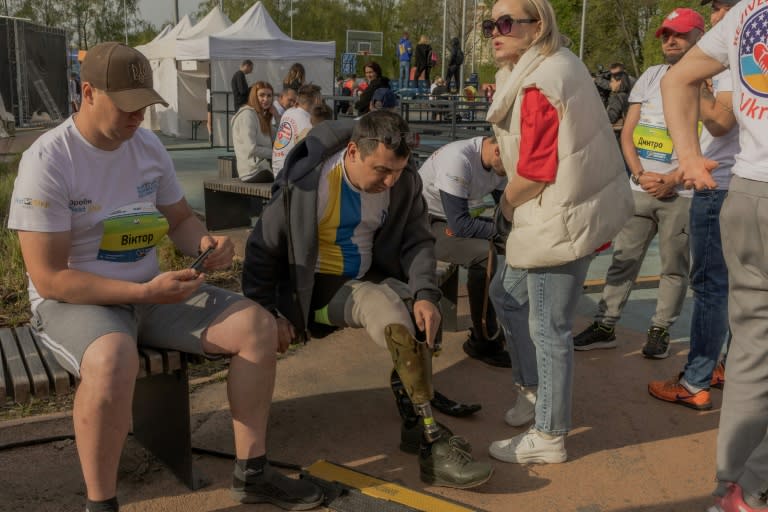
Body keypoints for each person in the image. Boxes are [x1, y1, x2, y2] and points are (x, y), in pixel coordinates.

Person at [6, 42, 323, 512]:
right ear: (88, 93)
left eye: (145, 105)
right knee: (114, 359)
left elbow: (179, 220)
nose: (138, 118)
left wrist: (204, 245)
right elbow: (51, 279)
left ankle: (252, 473)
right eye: (127, 106)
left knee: (255, 327)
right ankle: (101, 503)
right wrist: (140, 290)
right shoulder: (49, 159)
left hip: (150, 292)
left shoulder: (147, 146)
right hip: (75, 303)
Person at [242, 110, 494, 490]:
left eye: (398, 170)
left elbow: (417, 240)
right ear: (353, 152)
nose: (390, 180)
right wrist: (268, 313)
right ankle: (432, 438)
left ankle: (417, 429)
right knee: (390, 313)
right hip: (316, 290)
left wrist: (426, 293)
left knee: (423, 311)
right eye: (381, 171)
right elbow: (261, 251)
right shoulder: (310, 184)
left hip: (369, 274)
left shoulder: (401, 180)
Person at [481, 0, 632, 464]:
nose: (494, 31)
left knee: (550, 330)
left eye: (506, 23)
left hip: (557, 218)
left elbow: (534, 172)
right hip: (568, 209)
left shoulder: (540, 83)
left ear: (537, 25)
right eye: (490, 23)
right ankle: (532, 392)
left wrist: (504, 207)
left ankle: (548, 435)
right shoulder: (556, 66)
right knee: (506, 295)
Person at [661, 0, 768, 509]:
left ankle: (732, 486)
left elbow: (676, 79)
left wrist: (687, 156)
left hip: (747, 189)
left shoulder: (747, 10)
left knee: (751, 350)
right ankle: (750, 488)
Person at [573, 8, 705, 359]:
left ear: (699, 36)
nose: (670, 40)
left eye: (679, 33)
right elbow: (628, 133)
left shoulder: (713, 80)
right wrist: (637, 173)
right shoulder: (650, 76)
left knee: (674, 267)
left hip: (682, 192)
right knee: (623, 259)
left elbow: (710, 140)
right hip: (640, 188)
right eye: (665, 34)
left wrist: (673, 179)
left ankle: (660, 330)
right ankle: (606, 324)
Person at [647, 0, 739, 412]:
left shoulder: (732, 54)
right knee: (743, 290)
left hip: (719, 183)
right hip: (738, 182)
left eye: (721, 7)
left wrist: (685, 82)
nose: (720, 15)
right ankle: (728, 368)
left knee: (711, 289)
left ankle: (696, 380)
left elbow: (721, 121)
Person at [418, 136, 512, 368]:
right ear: (499, 150)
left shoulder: (498, 163)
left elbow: (506, 212)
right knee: (483, 253)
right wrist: (507, 231)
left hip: (453, 218)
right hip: (424, 224)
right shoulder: (459, 159)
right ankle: (483, 339)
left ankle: (525, 318)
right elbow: (461, 226)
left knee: (524, 242)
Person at [232, 82, 278, 183]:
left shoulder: (261, 116)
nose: (266, 99)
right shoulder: (247, 115)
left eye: (269, 96)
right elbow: (251, 148)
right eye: (262, 95)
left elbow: (280, 138)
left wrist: (276, 115)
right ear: (254, 96)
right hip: (253, 171)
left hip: (263, 167)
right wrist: (277, 154)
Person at [272, 83, 322, 176]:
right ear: (317, 100)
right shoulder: (308, 122)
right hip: (290, 176)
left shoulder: (288, 112)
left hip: (277, 171)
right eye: (321, 100)